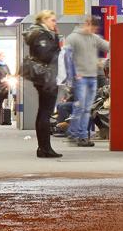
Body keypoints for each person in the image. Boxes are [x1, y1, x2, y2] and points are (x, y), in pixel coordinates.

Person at [63, 15, 111, 147]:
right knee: (80, 107)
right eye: (94, 28)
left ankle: (82, 136)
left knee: (87, 108)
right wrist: (74, 74)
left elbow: (108, 46)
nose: (94, 31)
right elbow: (67, 57)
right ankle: (75, 135)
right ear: (87, 23)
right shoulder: (73, 38)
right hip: (81, 79)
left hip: (92, 78)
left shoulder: (94, 38)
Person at [24, 10, 62, 158]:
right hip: (47, 77)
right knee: (46, 113)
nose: (55, 23)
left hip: (41, 77)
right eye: (53, 20)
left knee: (43, 112)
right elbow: (46, 55)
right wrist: (59, 49)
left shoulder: (38, 33)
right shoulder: (41, 34)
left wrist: (56, 37)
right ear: (44, 20)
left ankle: (43, 147)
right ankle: (45, 148)